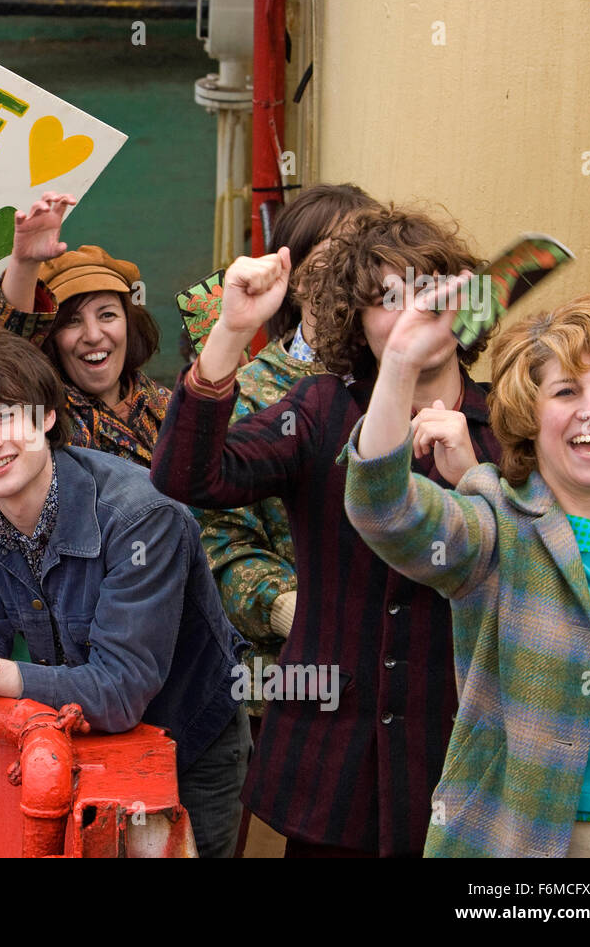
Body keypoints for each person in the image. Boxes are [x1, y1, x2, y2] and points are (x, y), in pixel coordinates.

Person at [150, 205, 502, 857]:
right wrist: (231, 331)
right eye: (385, 300)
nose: (411, 314)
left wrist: (479, 477)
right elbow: (187, 476)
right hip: (332, 769)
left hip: (460, 761)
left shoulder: (506, 427)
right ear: (355, 321)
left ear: (462, 305)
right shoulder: (320, 409)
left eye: (427, 291)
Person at [0, 322, 248, 857]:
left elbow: (119, 690)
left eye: (6, 415)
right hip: (80, 735)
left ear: (46, 415)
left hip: (189, 736)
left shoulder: (142, 518)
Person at [346, 295, 590, 857]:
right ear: (528, 416)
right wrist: (401, 363)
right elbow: (384, 511)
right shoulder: (498, 528)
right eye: (566, 392)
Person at [196, 183, 377, 854]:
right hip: (294, 681)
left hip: (402, 674)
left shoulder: (403, 377)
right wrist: (290, 607)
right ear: (294, 277)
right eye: (334, 258)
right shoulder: (251, 391)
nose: (351, 276)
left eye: (367, 258)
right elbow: (216, 537)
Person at [0, 193, 168, 467]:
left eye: (107, 315)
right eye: (72, 321)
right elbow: (5, 353)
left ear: (129, 324)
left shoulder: (168, 404)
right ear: (48, 337)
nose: (93, 335)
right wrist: (25, 264)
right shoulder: (43, 415)